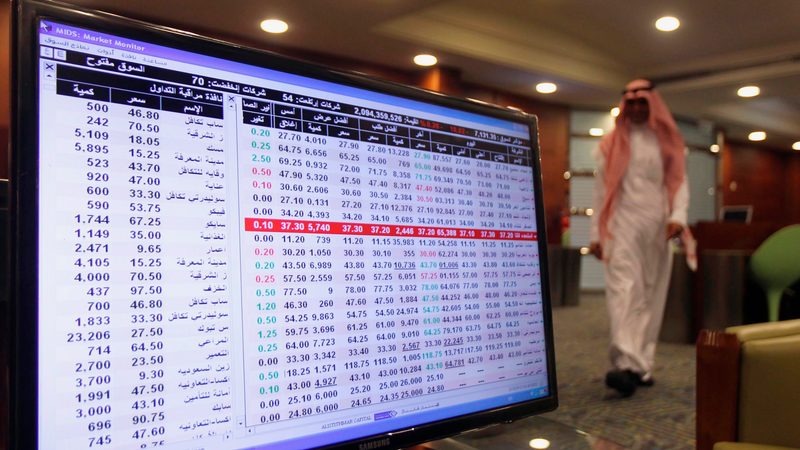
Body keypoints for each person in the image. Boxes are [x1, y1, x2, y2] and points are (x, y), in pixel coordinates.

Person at [589, 79, 689, 397]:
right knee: (624, 291)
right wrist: (596, 233)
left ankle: (643, 365)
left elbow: (679, 183)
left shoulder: (668, 141)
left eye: (641, 102)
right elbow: (600, 191)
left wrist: (678, 217)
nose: (635, 108)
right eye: (629, 103)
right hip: (622, 225)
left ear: (651, 104)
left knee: (650, 296)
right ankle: (625, 363)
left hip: (658, 226)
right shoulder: (610, 144)